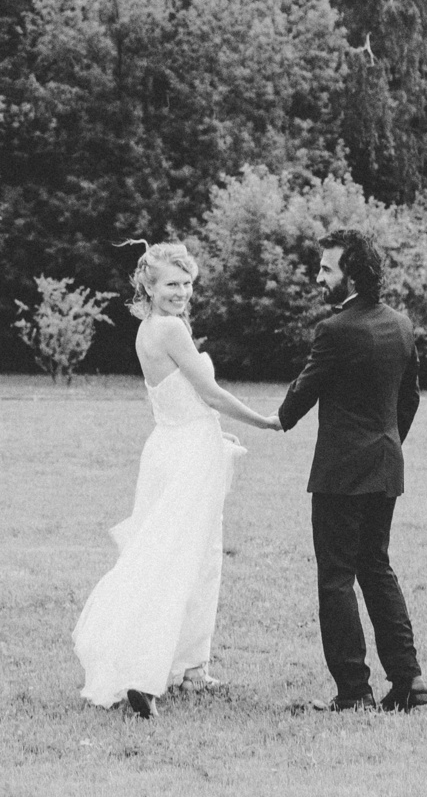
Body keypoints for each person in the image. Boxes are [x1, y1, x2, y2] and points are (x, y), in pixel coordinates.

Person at [74, 239, 282, 717]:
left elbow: (179, 397)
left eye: (187, 284)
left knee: (194, 555)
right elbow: (208, 393)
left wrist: (216, 434)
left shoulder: (150, 327)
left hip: (171, 447)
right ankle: (143, 673)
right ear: (148, 284)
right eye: (172, 284)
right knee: (178, 560)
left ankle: (192, 667)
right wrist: (264, 421)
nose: (182, 292)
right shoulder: (168, 328)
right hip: (186, 454)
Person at [276, 228, 427, 713]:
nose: (318, 276)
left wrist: (278, 418)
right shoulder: (401, 325)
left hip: (341, 474)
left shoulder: (334, 331)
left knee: (336, 576)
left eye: (326, 268)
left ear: (352, 275)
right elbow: (410, 399)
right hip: (384, 468)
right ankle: (409, 681)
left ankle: (354, 690)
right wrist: (386, 445)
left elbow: (302, 393)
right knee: (377, 569)